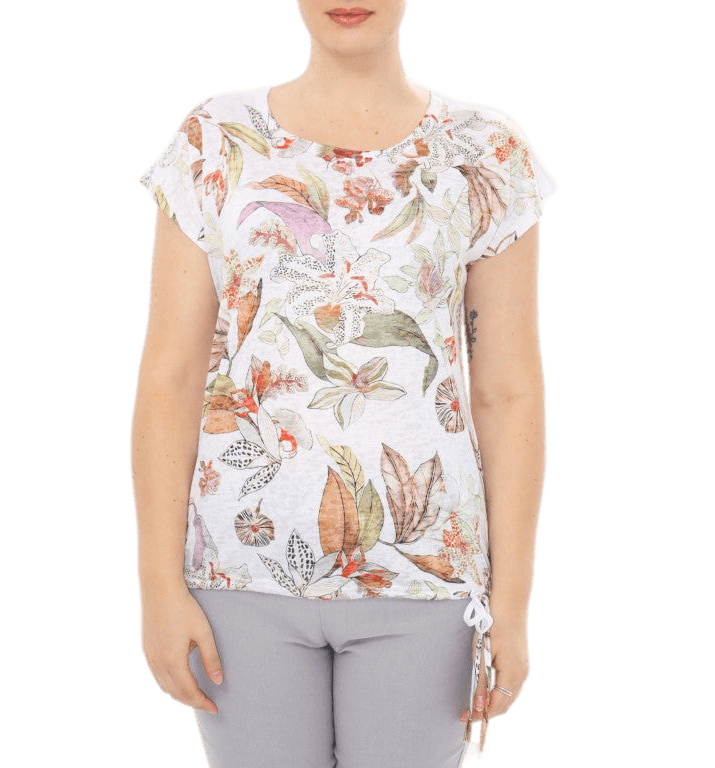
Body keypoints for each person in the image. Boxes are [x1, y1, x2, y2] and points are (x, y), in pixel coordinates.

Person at [130, 2, 557, 766]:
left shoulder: (484, 149)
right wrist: (157, 587)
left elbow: (510, 391)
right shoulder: (216, 137)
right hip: (239, 573)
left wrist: (514, 606)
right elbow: (169, 377)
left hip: (424, 580)